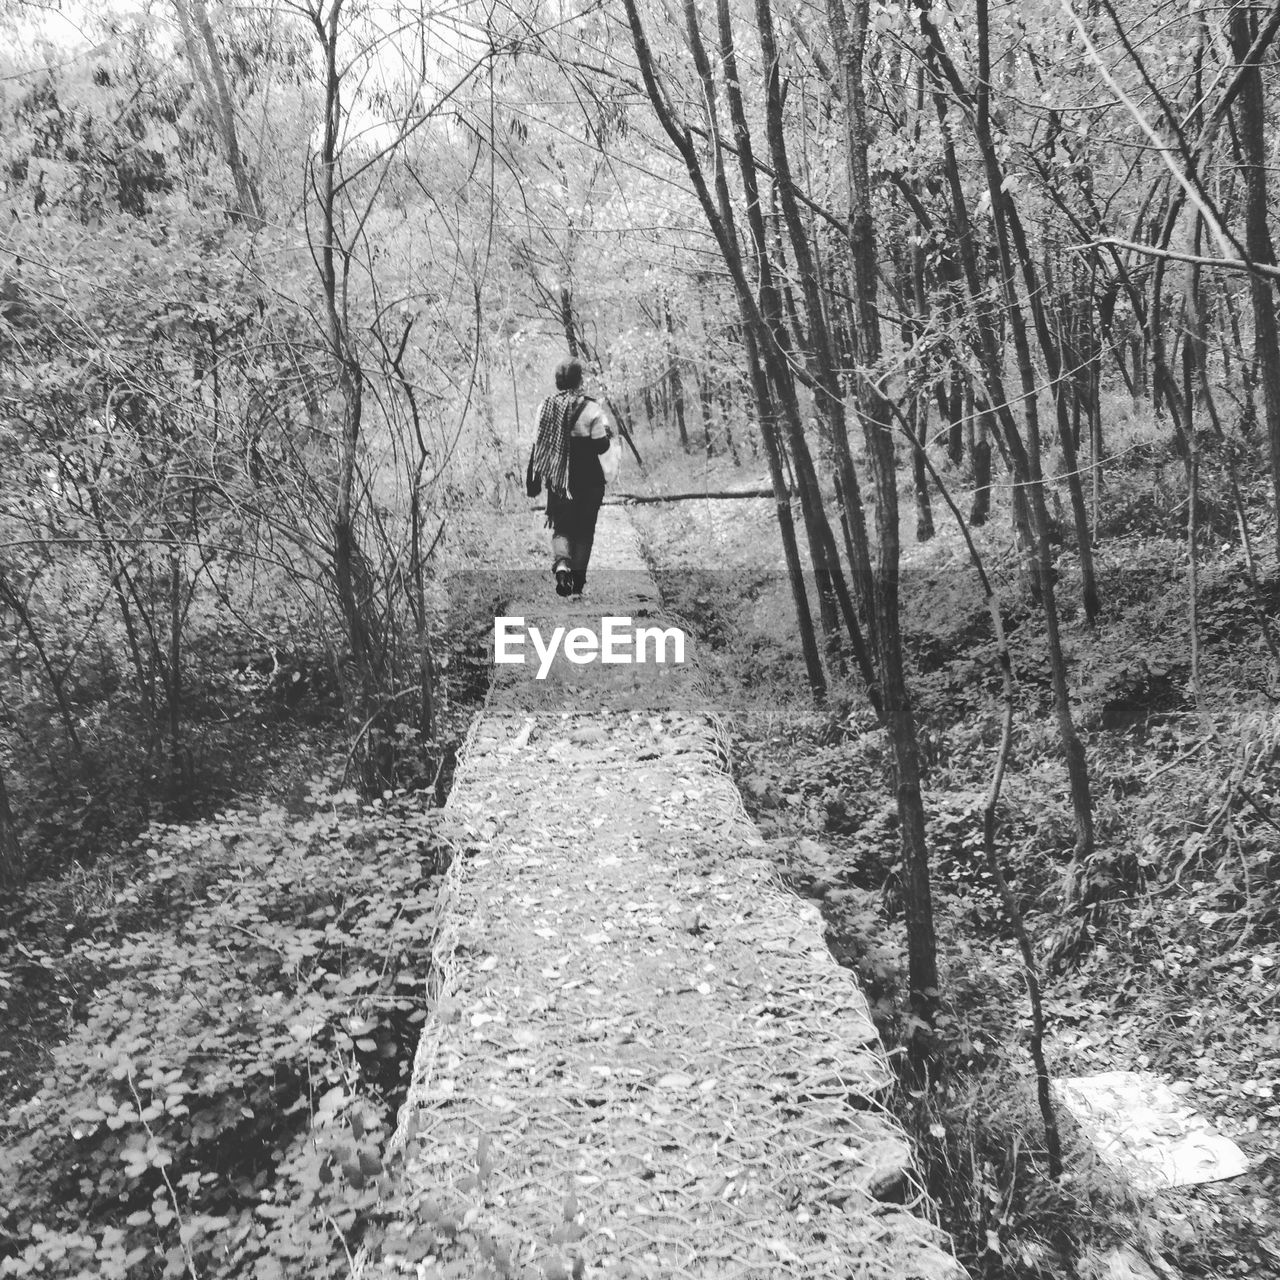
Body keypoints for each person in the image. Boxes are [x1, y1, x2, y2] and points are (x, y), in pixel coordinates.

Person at [525, 357, 615, 597]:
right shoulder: (591, 409)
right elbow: (600, 446)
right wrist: (606, 433)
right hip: (589, 481)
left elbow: (537, 443)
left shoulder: (545, 407)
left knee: (562, 527)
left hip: (558, 480)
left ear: (557, 382)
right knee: (585, 531)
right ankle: (577, 585)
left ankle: (562, 564)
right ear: (579, 380)